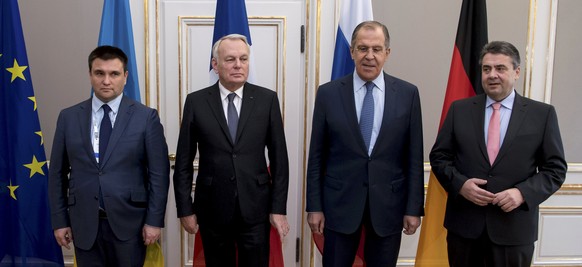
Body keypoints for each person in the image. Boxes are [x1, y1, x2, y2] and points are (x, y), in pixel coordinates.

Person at [430, 41, 567, 267]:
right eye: (486, 69)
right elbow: (439, 157)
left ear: (516, 72)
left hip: (514, 231)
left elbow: (555, 170)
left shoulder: (542, 114)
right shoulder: (459, 110)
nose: (492, 75)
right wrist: (461, 185)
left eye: (500, 68)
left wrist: (522, 193)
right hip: (465, 229)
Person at [306, 21, 425, 267]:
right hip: (339, 206)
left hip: (388, 207)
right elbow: (317, 156)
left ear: (387, 53)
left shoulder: (407, 93)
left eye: (377, 49)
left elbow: (414, 157)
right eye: (362, 48)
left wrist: (414, 208)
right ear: (351, 52)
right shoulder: (328, 94)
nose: (369, 56)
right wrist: (314, 206)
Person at [173, 34, 290, 267]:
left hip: (256, 209)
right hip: (212, 209)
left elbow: (280, 160)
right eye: (230, 59)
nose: (238, 65)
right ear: (215, 65)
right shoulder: (196, 102)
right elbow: (183, 162)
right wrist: (185, 209)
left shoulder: (267, 100)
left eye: (243, 59)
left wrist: (278, 208)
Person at [48, 45, 170, 267]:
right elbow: (56, 174)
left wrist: (154, 221)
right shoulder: (68, 117)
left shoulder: (146, 118)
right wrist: (59, 221)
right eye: (99, 73)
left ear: (125, 77)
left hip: (131, 225)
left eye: (114, 74)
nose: (106, 80)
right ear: (90, 75)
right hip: (83, 226)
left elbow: (159, 175)